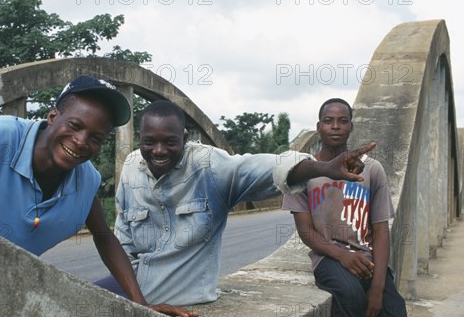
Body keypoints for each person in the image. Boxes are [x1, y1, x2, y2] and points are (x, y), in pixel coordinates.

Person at [0, 76, 194, 317]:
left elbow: (104, 236)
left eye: (95, 138)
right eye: (75, 126)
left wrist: (140, 303)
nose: (81, 142)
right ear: (53, 116)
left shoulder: (86, 180)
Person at [95, 100, 376, 306]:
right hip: (135, 290)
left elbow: (271, 168)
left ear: (184, 138)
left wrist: (323, 168)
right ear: (140, 140)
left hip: (181, 297)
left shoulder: (209, 167)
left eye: (169, 142)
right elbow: (123, 240)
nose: (158, 151)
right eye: (148, 142)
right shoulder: (132, 166)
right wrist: (135, 300)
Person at [282, 98, 417, 317]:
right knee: (349, 293)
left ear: (351, 126)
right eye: (328, 121)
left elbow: (381, 229)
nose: (335, 126)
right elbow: (306, 231)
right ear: (318, 127)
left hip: (368, 259)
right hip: (329, 257)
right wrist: (341, 254)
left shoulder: (372, 169)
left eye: (342, 121)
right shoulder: (301, 173)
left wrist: (379, 286)